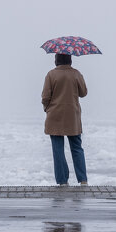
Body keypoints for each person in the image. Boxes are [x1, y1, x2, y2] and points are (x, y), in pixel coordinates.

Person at [41, 53, 88, 185]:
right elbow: (83, 93)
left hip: (54, 115)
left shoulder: (51, 74)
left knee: (58, 150)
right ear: (70, 60)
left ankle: (62, 181)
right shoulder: (76, 74)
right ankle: (83, 180)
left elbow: (45, 97)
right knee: (77, 147)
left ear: (56, 60)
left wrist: (47, 108)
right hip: (72, 115)